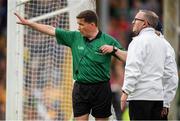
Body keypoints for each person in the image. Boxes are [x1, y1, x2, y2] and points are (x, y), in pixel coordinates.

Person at [14, 10, 124, 121]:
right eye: (78, 24)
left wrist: (114, 49)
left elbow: (127, 57)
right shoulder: (74, 37)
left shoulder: (108, 40)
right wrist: (29, 23)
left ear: (92, 25)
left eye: (81, 24)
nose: (78, 27)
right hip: (80, 88)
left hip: (101, 88)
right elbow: (51, 30)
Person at [120, 10, 178, 120]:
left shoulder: (137, 42)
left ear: (145, 23)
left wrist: (125, 91)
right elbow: (171, 76)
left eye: (136, 20)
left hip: (139, 98)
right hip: (158, 99)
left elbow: (133, 68)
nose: (133, 22)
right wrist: (166, 102)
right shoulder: (165, 44)